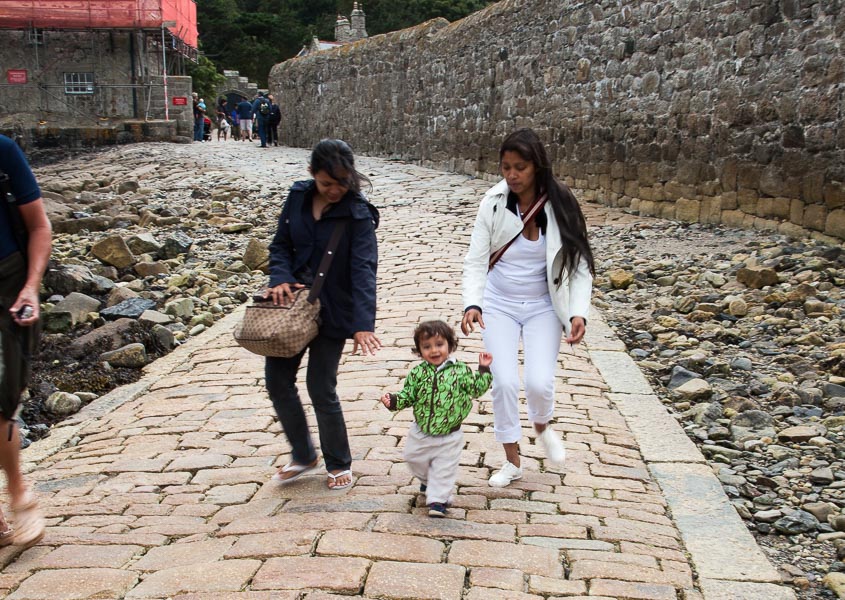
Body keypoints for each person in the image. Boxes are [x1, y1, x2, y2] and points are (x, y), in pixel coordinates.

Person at [461, 128, 595, 488]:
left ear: (537, 166)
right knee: (503, 382)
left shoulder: (562, 203)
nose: (512, 175)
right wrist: (472, 303)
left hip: (543, 306)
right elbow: (475, 260)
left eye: (520, 167)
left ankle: (541, 425)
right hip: (499, 303)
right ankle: (512, 460)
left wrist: (578, 311)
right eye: (506, 167)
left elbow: (580, 264)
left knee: (538, 383)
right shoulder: (492, 202)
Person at [265, 139, 381, 490]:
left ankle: (338, 460)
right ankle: (303, 454)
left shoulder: (358, 214)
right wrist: (280, 277)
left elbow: (364, 270)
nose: (335, 190)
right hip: (293, 309)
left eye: (342, 183)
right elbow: (280, 244)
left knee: (320, 385)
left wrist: (362, 325)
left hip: (334, 309)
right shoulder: (298, 197)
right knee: (276, 381)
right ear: (312, 174)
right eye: (327, 183)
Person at [380, 320, 492, 517]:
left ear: (450, 345)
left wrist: (483, 370)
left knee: (443, 469)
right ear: (419, 350)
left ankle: (438, 501)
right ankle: (427, 481)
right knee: (412, 459)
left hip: (450, 435)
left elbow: (477, 390)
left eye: (439, 345)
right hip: (421, 432)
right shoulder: (417, 373)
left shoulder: (460, 371)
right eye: (427, 346)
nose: (434, 350)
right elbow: (409, 395)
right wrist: (394, 401)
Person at [0, 134, 50, 547]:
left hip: (5, 284)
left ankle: (18, 492)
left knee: (1, 401)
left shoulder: (2, 151)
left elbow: (38, 224)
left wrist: (31, 287)